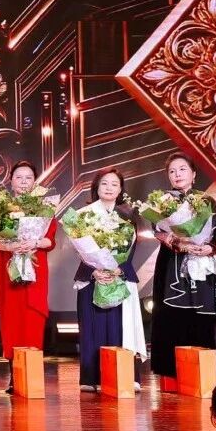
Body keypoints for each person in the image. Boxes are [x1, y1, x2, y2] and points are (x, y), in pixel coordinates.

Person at [150, 152, 216, 388]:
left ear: (193, 174)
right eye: (172, 171)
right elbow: (158, 232)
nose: (177, 174)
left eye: (182, 169)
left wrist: (209, 247)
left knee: (202, 315)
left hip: (201, 263)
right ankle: (171, 373)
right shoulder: (162, 201)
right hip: (171, 263)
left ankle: (204, 373)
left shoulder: (207, 201)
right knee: (172, 315)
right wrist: (180, 244)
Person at [0, 160, 57, 394]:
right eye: (19, 177)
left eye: (28, 178)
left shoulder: (44, 208)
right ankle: (14, 377)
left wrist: (33, 242)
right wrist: (10, 246)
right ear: (11, 181)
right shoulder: (0, 208)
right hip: (8, 272)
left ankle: (32, 375)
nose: (24, 182)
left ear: (34, 182)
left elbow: (50, 241)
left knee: (33, 320)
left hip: (35, 272)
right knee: (12, 322)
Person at [73, 168, 144, 393]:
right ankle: (91, 377)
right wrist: (94, 271)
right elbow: (81, 250)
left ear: (121, 189)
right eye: (104, 183)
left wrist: (117, 270)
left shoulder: (128, 215)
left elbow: (131, 248)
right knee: (91, 329)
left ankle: (124, 376)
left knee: (120, 330)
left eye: (114, 184)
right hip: (91, 278)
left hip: (119, 277)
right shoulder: (83, 215)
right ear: (96, 187)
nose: (109, 188)